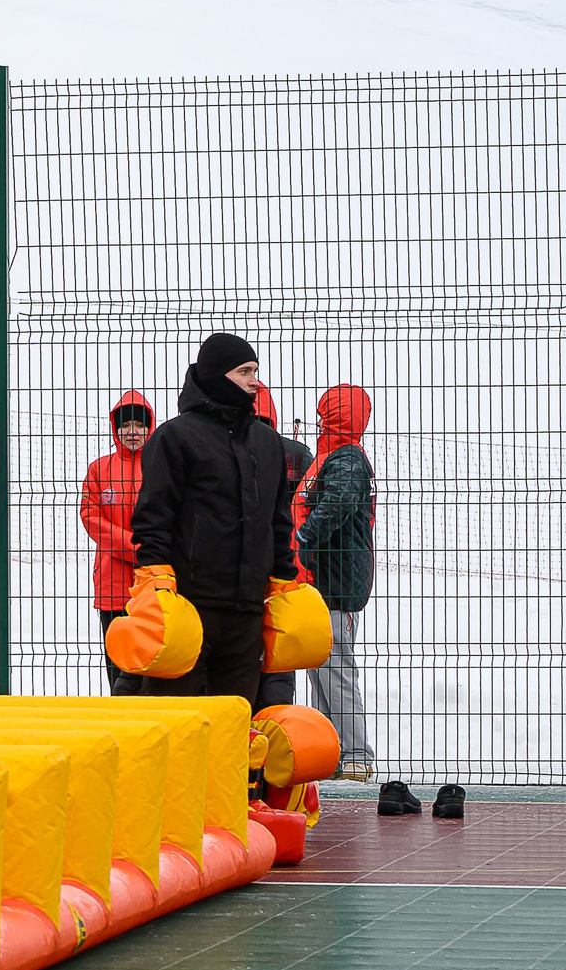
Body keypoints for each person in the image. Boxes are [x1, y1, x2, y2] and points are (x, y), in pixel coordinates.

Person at [127, 332, 296, 706]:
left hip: (247, 610)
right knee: (175, 716)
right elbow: (153, 519)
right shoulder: (175, 437)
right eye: (244, 371)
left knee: (234, 717)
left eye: (255, 371)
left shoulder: (268, 443)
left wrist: (283, 581)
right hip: (189, 606)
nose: (254, 381)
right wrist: (157, 583)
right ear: (218, 375)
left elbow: (279, 522)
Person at [295, 384, 379, 778]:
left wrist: (305, 535)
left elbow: (338, 503)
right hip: (323, 580)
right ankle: (332, 752)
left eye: (324, 414)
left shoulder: (346, 460)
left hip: (336, 582)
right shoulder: (334, 457)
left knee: (336, 670)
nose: (318, 421)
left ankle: (356, 754)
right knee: (322, 670)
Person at [79, 392, 154, 695]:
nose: (132, 432)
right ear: (115, 428)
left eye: (139, 424)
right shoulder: (99, 469)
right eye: (125, 425)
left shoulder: (160, 466)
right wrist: (136, 547)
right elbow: (90, 516)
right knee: (118, 664)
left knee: (152, 659)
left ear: (149, 427)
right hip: (113, 584)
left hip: (153, 581)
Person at [251, 383, 313, 709]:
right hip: (286, 568)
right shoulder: (295, 454)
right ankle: (276, 723)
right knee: (279, 659)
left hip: (252, 572)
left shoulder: (223, 451)